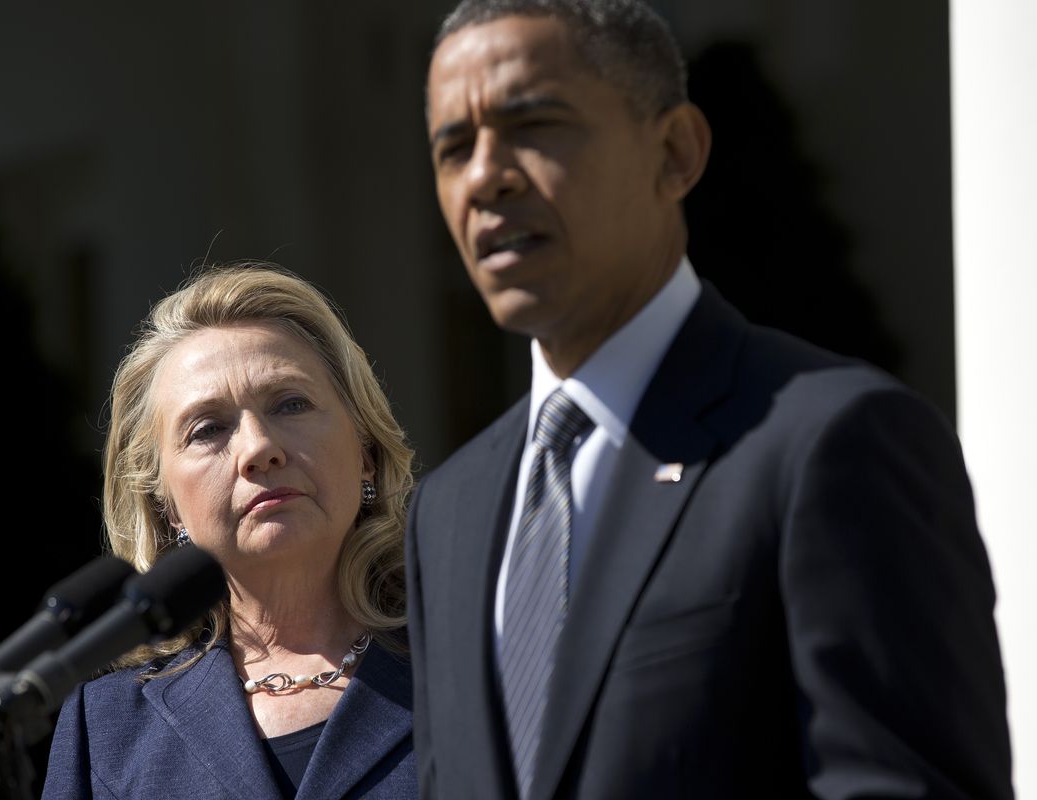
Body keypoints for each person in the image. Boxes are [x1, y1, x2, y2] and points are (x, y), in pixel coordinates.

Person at [405, 2, 1013, 799]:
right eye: (454, 148)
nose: (486, 175)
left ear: (676, 152)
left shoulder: (833, 442)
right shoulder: (447, 512)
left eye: (535, 122)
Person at [43, 263, 417, 799]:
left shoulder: (473, 663)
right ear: (165, 503)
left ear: (366, 452)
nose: (259, 448)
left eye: (291, 403)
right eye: (209, 429)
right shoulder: (105, 729)